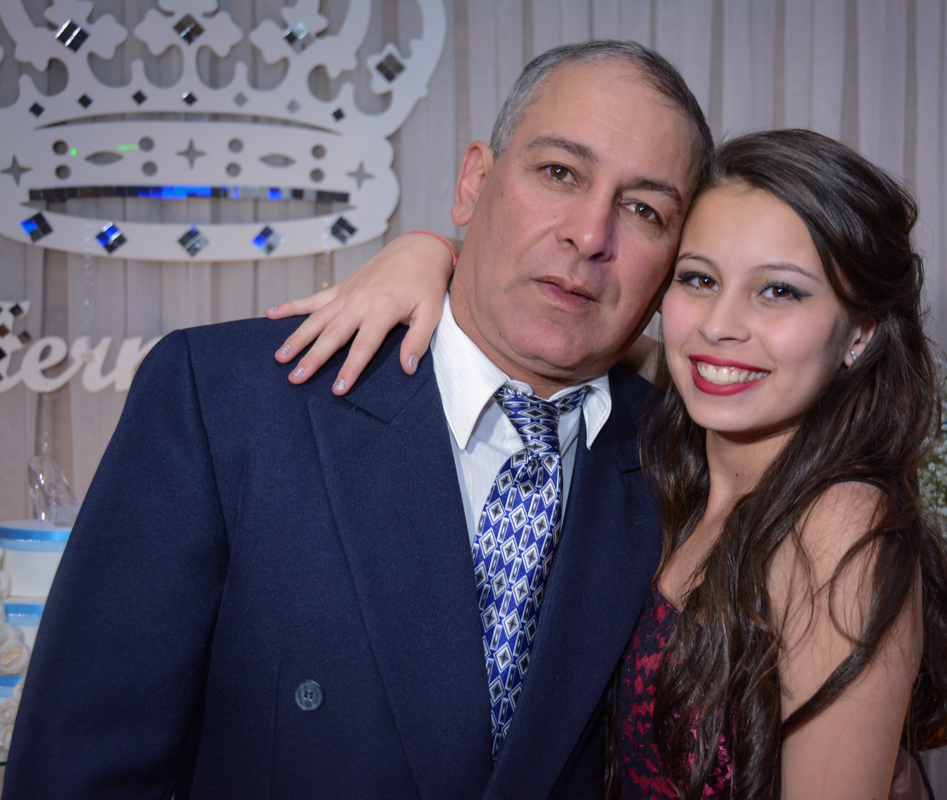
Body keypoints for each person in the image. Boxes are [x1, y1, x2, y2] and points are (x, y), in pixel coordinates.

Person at [3, 41, 712, 799]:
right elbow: (77, 775)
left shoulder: (692, 459)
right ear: (474, 182)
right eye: (559, 173)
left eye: (643, 210)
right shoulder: (223, 400)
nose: (590, 235)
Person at [267, 130, 947, 797]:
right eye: (699, 280)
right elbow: (562, 316)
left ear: (858, 333)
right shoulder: (671, 446)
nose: (720, 325)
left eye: (779, 291)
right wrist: (427, 253)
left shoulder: (840, 523)